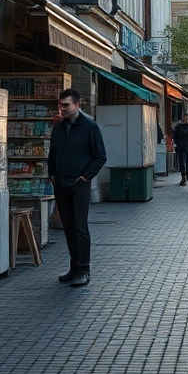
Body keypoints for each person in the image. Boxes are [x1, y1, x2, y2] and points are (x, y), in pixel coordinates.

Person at [48, 88, 107, 287]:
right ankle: (73, 268)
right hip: (61, 184)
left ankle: (83, 269)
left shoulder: (90, 127)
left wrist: (85, 177)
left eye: (66, 105)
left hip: (79, 185)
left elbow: (100, 156)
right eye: (61, 105)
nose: (63, 109)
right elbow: (52, 154)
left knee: (80, 227)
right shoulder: (58, 127)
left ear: (77, 105)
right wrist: (52, 175)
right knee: (68, 227)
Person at [173, 112, 188, 186]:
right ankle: (184, 176)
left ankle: (187, 174)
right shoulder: (179, 127)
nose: (186, 119)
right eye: (185, 117)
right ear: (183, 118)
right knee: (182, 162)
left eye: (187, 117)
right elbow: (175, 136)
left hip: (187, 146)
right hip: (182, 146)